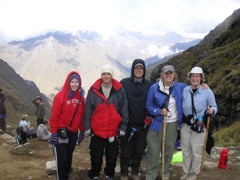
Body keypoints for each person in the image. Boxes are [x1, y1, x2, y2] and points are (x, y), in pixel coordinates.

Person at [84, 64, 129, 180]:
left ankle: (109, 174)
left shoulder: (119, 90)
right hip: (97, 130)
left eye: (108, 74)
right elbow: (88, 109)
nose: (106, 76)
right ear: (101, 75)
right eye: (104, 74)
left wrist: (123, 127)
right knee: (95, 155)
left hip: (113, 130)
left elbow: (124, 109)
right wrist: (87, 126)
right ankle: (94, 174)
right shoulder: (93, 90)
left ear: (112, 76)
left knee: (112, 156)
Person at [145, 65, 187, 180]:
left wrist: (203, 85)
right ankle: (151, 175)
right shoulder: (154, 88)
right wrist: (159, 111)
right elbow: (148, 105)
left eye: (170, 73)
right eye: (166, 73)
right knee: (153, 150)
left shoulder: (180, 87)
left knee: (168, 150)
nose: (168, 75)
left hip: (172, 124)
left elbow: (193, 88)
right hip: (157, 123)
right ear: (162, 75)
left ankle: (165, 173)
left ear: (174, 75)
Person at [180, 67, 218, 180]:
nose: (195, 79)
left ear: (201, 78)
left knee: (196, 151)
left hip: (199, 126)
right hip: (185, 125)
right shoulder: (185, 90)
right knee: (186, 150)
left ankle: (193, 173)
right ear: (189, 77)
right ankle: (186, 172)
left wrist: (212, 111)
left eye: (197, 76)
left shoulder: (207, 92)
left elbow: (214, 107)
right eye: (192, 76)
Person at [119, 59, 152, 180]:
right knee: (126, 149)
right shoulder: (124, 83)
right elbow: (113, 91)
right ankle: (123, 172)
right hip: (127, 123)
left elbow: (159, 93)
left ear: (144, 70)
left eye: (141, 68)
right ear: (132, 70)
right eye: (136, 68)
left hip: (143, 125)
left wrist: (202, 85)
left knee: (139, 150)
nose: (138, 70)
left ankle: (135, 170)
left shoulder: (149, 85)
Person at [49, 71, 85, 180]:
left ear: (79, 83)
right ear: (68, 82)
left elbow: (81, 116)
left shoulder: (81, 97)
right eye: (72, 82)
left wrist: (82, 131)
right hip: (61, 132)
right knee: (62, 159)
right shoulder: (60, 96)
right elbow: (54, 116)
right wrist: (54, 133)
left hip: (73, 133)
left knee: (69, 159)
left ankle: (66, 176)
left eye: (76, 82)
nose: (74, 84)